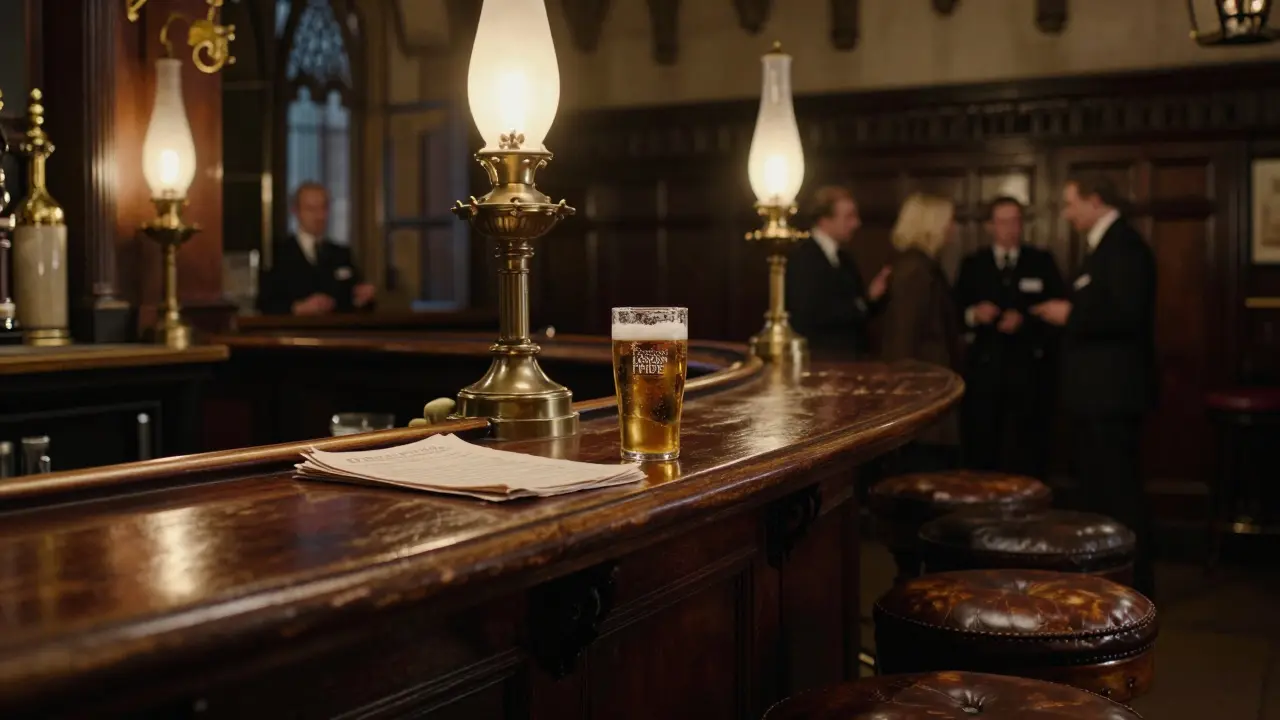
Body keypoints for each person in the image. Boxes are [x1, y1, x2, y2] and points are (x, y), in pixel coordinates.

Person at [1030, 173, 1157, 598]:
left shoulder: (1124, 246)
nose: (1066, 213)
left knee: (1119, 495)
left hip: (1112, 395)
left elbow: (1126, 314)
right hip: (1096, 396)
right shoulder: (1103, 246)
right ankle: (1110, 583)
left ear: (1095, 200)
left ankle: (1132, 586)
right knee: (1101, 493)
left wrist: (1071, 315)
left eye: (1070, 204)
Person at [954, 196, 1066, 479]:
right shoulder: (973, 263)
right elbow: (953, 312)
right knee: (982, 448)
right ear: (991, 226)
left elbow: (1061, 311)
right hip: (984, 373)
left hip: (1029, 372)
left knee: (1029, 449)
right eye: (1003, 221)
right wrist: (973, 314)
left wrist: (1025, 321)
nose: (1011, 228)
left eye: (1016, 220)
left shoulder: (1040, 261)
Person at [879, 193, 963, 472]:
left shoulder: (925, 266)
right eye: (949, 221)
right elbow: (903, 338)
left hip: (929, 385)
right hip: (920, 392)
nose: (953, 228)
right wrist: (905, 402)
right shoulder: (915, 270)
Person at [786, 186, 891, 359]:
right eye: (849, 217)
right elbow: (811, 314)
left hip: (846, 360)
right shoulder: (804, 257)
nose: (856, 223)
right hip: (821, 361)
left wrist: (872, 298)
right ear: (824, 220)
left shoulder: (844, 258)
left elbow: (855, 311)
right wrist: (862, 304)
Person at [257, 182, 376, 315]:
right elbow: (264, 303)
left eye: (323, 208)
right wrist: (298, 308)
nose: (319, 216)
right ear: (295, 211)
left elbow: (357, 301)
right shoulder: (277, 253)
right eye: (311, 209)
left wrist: (363, 297)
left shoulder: (341, 254)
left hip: (337, 332)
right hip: (293, 332)